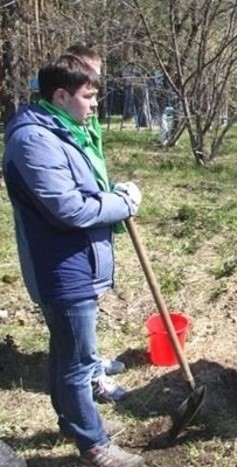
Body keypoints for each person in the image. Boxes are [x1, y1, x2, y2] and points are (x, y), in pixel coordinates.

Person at [3, 56, 144, 467]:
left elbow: (80, 188)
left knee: (68, 353)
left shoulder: (61, 130)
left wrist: (110, 191)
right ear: (60, 95)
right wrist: (120, 203)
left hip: (77, 262)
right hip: (62, 267)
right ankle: (94, 445)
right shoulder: (34, 140)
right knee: (78, 361)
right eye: (88, 96)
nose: (95, 105)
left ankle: (75, 422)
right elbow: (68, 209)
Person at [63, 44, 129, 405]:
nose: (97, 92)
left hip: (95, 218)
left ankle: (91, 361)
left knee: (90, 300)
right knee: (79, 307)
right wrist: (115, 204)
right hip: (72, 239)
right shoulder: (58, 129)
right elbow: (69, 198)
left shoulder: (82, 119)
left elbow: (91, 166)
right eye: (91, 84)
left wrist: (109, 193)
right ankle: (91, 375)